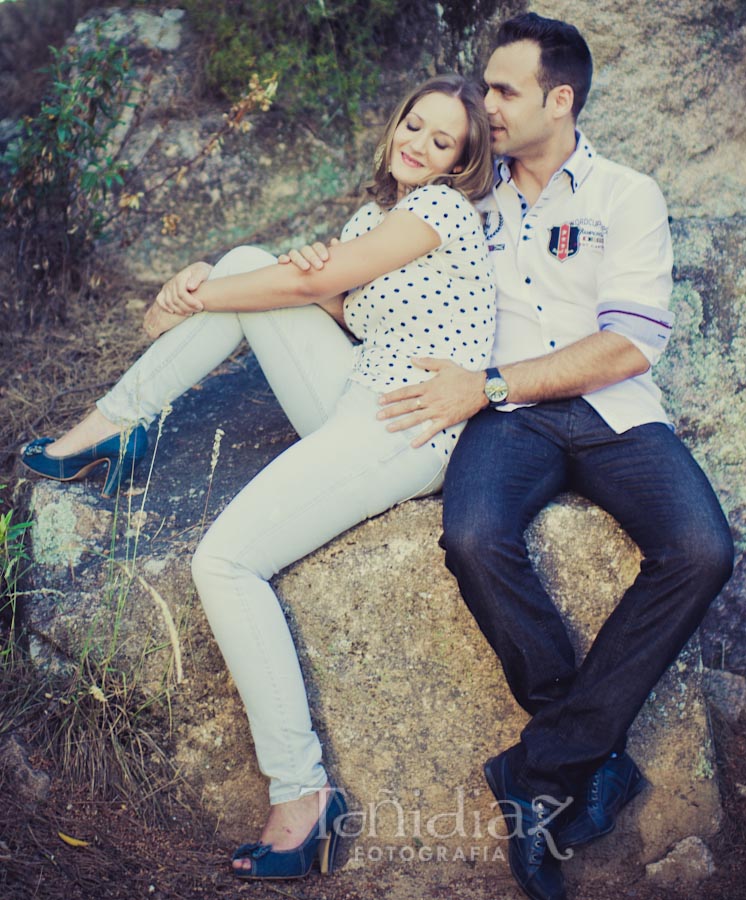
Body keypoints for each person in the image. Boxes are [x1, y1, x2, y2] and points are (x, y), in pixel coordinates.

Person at [19, 74, 495, 881]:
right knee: (250, 261)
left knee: (225, 562)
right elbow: (331, 304)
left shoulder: (441, 210)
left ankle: (303, 795)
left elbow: (307, 288)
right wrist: (267, 280)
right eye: (413, 125)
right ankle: (113, 429)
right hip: (352, 390)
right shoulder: (373, 219)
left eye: (441, 140)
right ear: (395, 127)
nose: (417, 143)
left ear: (460, 164)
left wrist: (195, 295)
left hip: (406, 422)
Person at [372, 14, 735, 900]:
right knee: (474, 536)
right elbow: (385, 284)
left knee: (701, 550)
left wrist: (490, 382)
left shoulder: (625, 194)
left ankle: (538, 769)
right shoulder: (466, 198)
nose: (483, 105)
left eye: (503, 91)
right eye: (484, 88)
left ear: (558, 99)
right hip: (509, 423)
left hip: (608, 410)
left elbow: (629, 346)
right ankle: (590, 751)